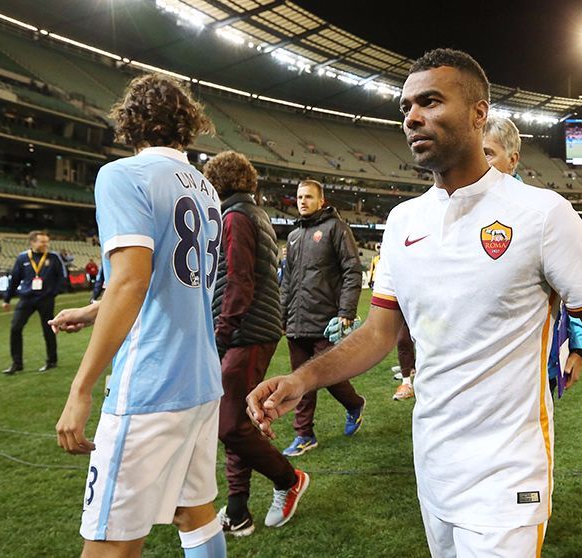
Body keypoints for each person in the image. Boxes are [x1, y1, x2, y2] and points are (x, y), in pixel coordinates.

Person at [246, 48, 582, 558]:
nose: (412, 117)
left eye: (430, 101)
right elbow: (378, 333)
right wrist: (302, 377)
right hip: (433, 462)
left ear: (478, 112)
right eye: (405, 107)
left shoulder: (543, 215)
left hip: (510, 470)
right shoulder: (403, 223)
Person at [48, 73, 227, 557]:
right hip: (201, 379)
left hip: (150, 385)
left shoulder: (122, 175)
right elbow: (163, 279)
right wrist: (94, 310)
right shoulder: (205, 187)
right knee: (195, 511)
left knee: (109, 542)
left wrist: (80, 388)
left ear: (129, 122)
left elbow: (132, 279)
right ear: (188, 125)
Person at [204, 151, 309, 535]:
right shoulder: (252, 213)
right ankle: (237, 510)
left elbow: (238, 281)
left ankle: (288, 479)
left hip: (245, 329)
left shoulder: (234, 217)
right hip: (253, 327)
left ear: (216, 183)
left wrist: (221, 333)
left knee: (229, 423)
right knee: (234, 419)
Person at [483, 113, 582, 390]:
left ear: (512, 160)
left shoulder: (543, 214)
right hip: (475, 369)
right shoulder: (459, 209)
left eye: (488, 154)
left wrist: (579, 349)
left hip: (532, 368)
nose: (479, 163)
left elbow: (578, 289)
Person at [279, 179, 367, 457]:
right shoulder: (293, 237)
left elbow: (353, 272)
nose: (302, 201)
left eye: (308, 197)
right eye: (299, 197)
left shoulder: (336, 229)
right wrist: (281, 316)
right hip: (296, 321)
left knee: (329, 377)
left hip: (326, 321)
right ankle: (304, 434)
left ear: (321, 200)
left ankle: (354, 404)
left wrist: (346, 313)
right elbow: (287, 282)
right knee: (300, 381)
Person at [1, 230, 67, 374]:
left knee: (48, 329)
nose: (45, 244)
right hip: (27, 298)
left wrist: (53, 293)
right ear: (33, 242)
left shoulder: (54, 257)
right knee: (15, 328)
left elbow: (61, 277)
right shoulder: (22, 258)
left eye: (46, 241)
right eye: (42, 242)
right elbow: (15, 280)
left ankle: (52, 361)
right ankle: (16, 363)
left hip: (46, 299)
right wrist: (7, 299)